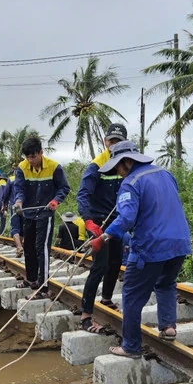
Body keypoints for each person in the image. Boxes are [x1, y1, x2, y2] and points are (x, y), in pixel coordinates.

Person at [89, 141, 192, 358]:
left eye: (117, 167)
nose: (117, 173)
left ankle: (130, 346)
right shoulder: (165, 174)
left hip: (151, 246)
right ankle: (168, 327)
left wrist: (104, 237)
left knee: (132, 294)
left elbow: (126, 218)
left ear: (126, 162)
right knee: (165, 283)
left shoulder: (130, 183)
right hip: (179, 242)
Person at [76, 123, 127, 334]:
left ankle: (106, 299)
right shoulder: (96, 166)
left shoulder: (127, 163)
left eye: (118, 141)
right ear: (105, 142)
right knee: (101, 264)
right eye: (111, 141)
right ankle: (86, 315)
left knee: (116, 262)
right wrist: (88, 221)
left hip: (118, 221)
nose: (114, 145)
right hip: (98, 221)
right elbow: (83, 194)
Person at [12, 137, 70, 295]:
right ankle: (31, 279)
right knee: (28, 247)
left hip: (45, 214)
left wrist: (55, 200)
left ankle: (43, 286)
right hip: (29, 213)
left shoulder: (54, 167)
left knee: (41, 248)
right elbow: (19, 189)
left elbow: (64, 188)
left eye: (33, 156)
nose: (30, 160)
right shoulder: (22, 168)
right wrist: (19, 201)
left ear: (41, 153)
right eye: (27, 157)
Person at [6, 167, 24, 257]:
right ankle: (21, 245)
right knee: (23, 228)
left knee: (15, 228)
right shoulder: (29, 177)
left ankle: (19, 247)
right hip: (26, 207)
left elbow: (6, 194)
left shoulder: (11, 179)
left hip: (15, 206)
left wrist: (3, 205)